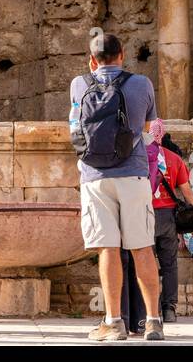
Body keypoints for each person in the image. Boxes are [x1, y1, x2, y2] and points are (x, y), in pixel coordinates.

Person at [70, 33, 164, 342]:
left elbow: (75, 129)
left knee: (107, 248)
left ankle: (113, 322)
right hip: (134, 173)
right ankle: (152, 322)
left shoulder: (79, 84)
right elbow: (149, 128)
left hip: (95, 176)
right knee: (142, 247)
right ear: (122, 55)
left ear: (92, 59)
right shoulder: (142, 84)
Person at [149, 118, 193, 322]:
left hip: (144, 214)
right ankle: (169, 309)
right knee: (169, 264)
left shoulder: (140, 157)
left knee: (144, 262)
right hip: (168, 217)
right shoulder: (174, 159)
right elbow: (187, 192)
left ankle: (147, 308)